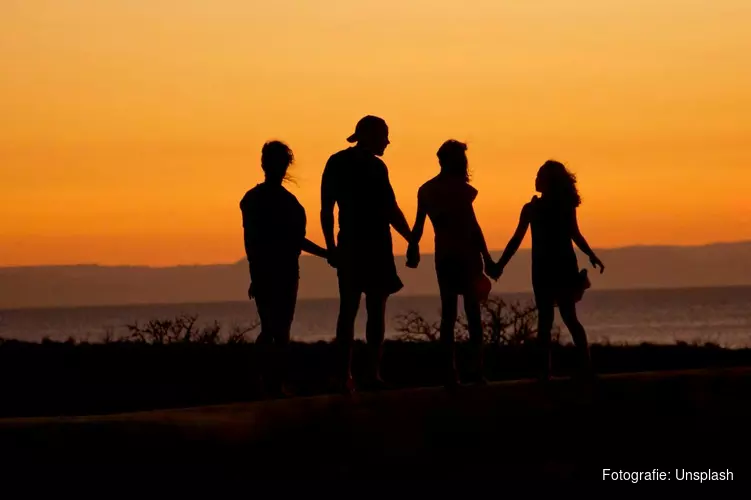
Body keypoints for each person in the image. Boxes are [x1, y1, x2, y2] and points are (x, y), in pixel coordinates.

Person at [320, 116, 412, 393]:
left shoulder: (340, 162)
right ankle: (365, 375)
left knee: (349, 311)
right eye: (384, 135)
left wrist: (331, 247)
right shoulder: (370, 166)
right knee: (370, 312)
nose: (387, 141)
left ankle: (349, 376)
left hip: (355, 245)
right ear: (370, 136)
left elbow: (328, 210)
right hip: (368, 246)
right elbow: (390, 208)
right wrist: (411, 239)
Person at [493, 160, 605, 382]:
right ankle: (570, 367)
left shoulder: (540, 208)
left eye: (539, 176)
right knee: (562, 319)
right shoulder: (538, 208)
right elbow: (518, 240)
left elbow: (574, 234)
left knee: (553, 319)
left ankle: (554, 370)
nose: (535, 179)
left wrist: (591, 254)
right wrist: (500, 265)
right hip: (554, 267)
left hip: (551, 268)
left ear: (548, 182)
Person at [240, 141, 328, 397]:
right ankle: (269, 382)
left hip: (281, 271)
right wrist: (326, 253)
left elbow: (256, 242)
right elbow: (255, 242)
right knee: (275, 329)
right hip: (276, 272)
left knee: (275, 328)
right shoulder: (273, 202)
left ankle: (269, 382)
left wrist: (326, 253)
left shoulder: (264, 200)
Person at [407, 140, 495, 387]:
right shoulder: (461, 190)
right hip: (466, 256)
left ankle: (450, 371)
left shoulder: (426, 190)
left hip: (443, 257)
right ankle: (474, 371)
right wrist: (487, 257)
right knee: (473, 315)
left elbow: (418, 226)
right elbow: (473, 227)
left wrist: (413, 248)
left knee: (449, 315)